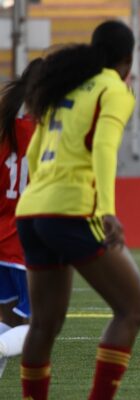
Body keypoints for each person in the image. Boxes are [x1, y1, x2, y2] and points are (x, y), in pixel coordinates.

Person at [15, 21, 140, 400]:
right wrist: (106, 210)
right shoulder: (113, 88)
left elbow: (32, 153)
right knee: (133, 309)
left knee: (44, 324)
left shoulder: (66, 86)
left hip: (33, 210)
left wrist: (41, 195)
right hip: (72, 210)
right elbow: (104, 149)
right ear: (127, 59)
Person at [0, 58, 42, 378]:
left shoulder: (4, 126)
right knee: (40, 326)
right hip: (25, 240)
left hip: (1, 236)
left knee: (6, 322)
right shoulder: (43, 132)